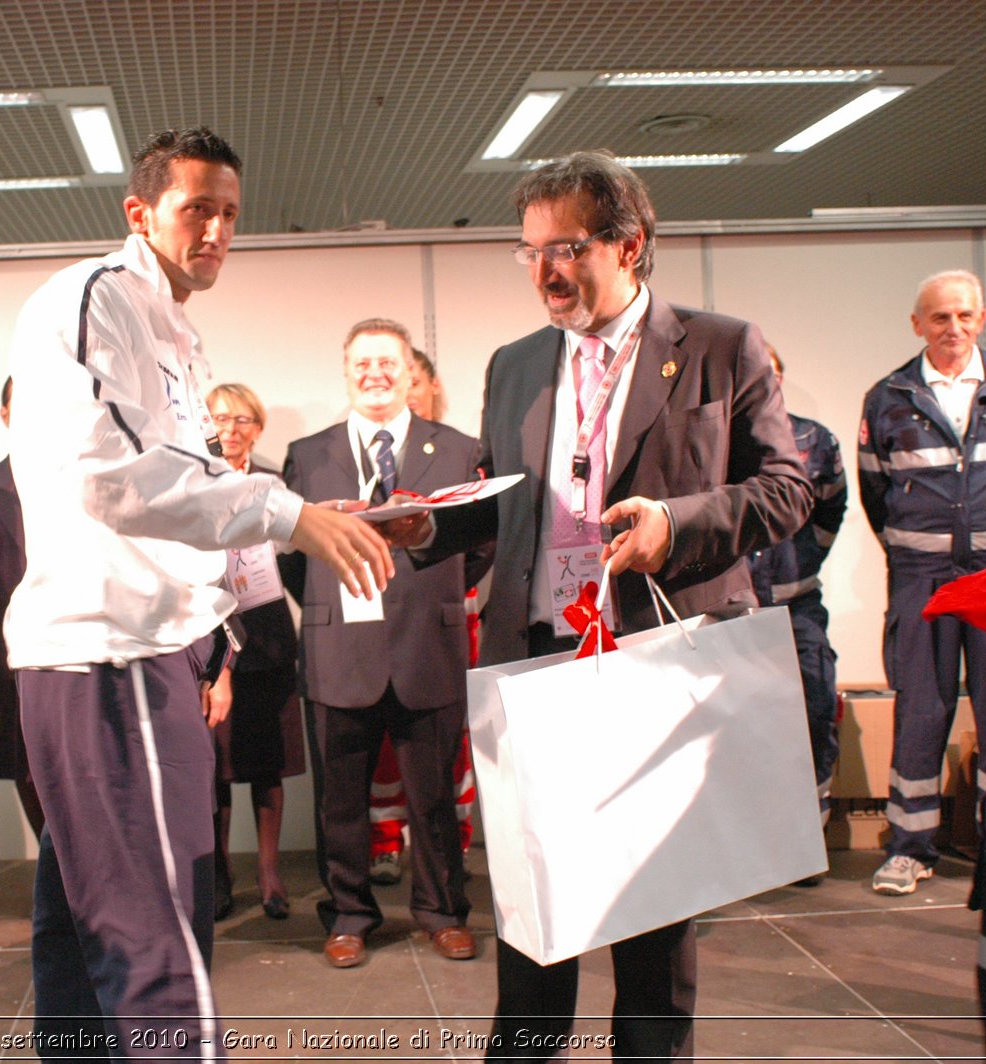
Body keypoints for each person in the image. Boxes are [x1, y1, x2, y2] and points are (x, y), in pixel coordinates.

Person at [391, 151, 811, 1059]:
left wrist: (678, 521)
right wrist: (425, 528)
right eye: (530, 250)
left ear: (632, 244)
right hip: (538, 662)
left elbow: (787, 490)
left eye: (568, 247)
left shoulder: (718, 346)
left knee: (655, 918)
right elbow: (509, 512)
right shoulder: (513, 366)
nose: (546, 269)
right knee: (535, 912)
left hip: (657, 663)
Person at [5, 126, 393, 1057]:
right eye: (196, 210)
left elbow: (176, 486)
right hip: (111, 656)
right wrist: (286, 513)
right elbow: (111, 476)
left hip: (138, 651)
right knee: (160, 940)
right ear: (140, 212)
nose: (216, 230)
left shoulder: (175, 327)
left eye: (230, 214)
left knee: (79, 931)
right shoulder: (99, 298)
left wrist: (292, 515)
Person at [282, 319, 490, 969]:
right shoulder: (307, 455)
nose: (375, 373)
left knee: (433, 798)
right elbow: (291, 555)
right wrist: (326, 598)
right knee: (338, 802)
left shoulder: (458, 450)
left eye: (388, 362)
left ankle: (442, 911)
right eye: (362, 363)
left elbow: (482, 545)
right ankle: (348, 914)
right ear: (346, 373)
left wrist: (434, 593)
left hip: (428, 646)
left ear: (412, 374)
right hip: (338, 649)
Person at [858, 269, 986, 895]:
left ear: (981, 319)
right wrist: (915, 552)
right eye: (940, 317)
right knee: (921, 711)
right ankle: (910, 848)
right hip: (921, 580)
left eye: (965, 316)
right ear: (917, 324)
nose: (954, 328)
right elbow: (875, 491)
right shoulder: (888, 396)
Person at [367, 348, 479, 886]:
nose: (404, 390)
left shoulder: (461, 450)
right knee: (384, 750)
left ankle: (448, 851)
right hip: (374, 622)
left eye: (414, 380)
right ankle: (385, 842)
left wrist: (450, 587)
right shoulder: (365, 450)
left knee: (447, 747)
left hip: (449, 618)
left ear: (432, 386)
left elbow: (484, 539)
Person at [204, 382, 305, 921]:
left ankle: (269, 872)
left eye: (243, 420)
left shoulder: (273, 484)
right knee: (213, 769)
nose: (231, 430)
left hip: (266, 630)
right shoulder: (190, 482)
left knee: (267, 763)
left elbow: (292, 554)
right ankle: (217, 876)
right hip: (209, 631)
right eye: (221, 419)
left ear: (258, 429)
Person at [746, 346, 847, 843]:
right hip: (732, 614)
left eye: (773, 375)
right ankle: (748, 842)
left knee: (813, 708)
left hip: (798, 607)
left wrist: (803, 563)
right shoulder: (718, 439)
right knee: (736, 727)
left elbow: (833, 511)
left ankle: (806, 835)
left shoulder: (816, 441)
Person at [0, 375, 45, 840]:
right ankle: (61, 883)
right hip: (9, 655)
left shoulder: (87, 481)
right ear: (5, 415)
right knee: (28, 770)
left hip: (76, 651)